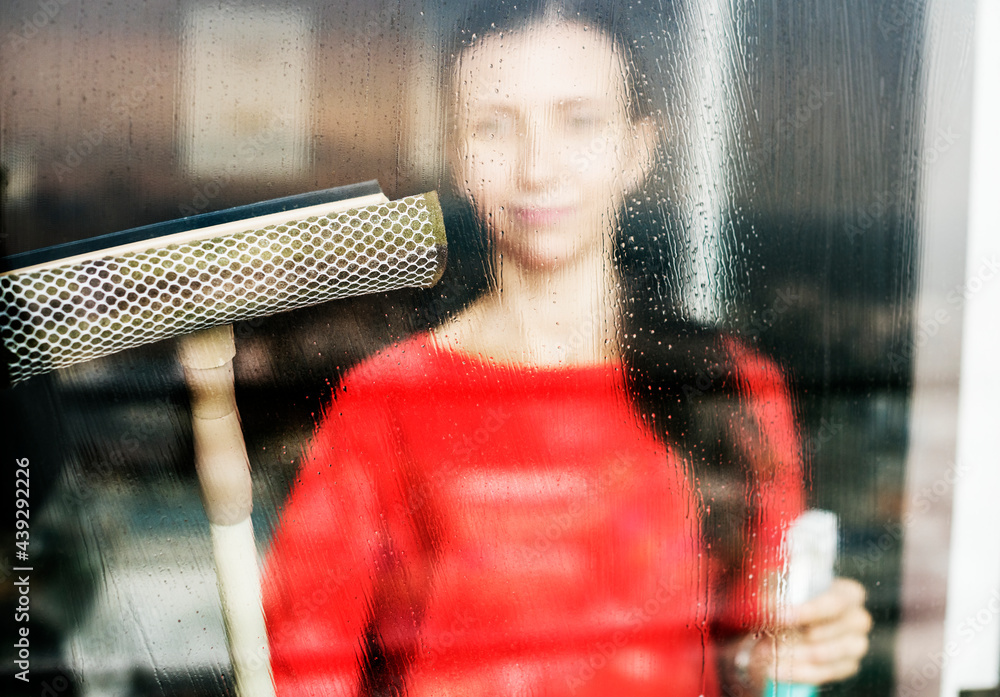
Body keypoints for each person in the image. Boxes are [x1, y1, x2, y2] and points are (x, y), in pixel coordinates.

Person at [262, 2, 872, 695]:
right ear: (459, 159)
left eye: (578, 121)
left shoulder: (732, 384)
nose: (537, 167)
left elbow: (746, 655)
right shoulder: (387, 398)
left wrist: (788, 655)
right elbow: (302, 670)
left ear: (637, 150)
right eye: (495, 127)